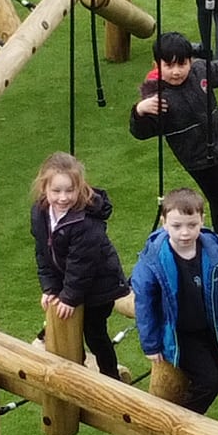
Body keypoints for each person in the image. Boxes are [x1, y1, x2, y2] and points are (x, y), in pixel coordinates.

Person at [128, 187, 218, 427]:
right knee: (208, 382)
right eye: (177, 226)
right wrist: (151, 343)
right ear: (164, 223)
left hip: (209, 327)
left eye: (192, 225)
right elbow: (144, 303)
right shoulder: (154, 260)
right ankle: (179, 427)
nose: (185, 233)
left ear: (202, 221)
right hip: (180, 333)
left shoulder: (213, 252)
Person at [131, 30, 218, 257]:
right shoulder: (156, 97)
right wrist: (139, 111)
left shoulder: (200, 71)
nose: (176, 71)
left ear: (191, 61)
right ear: (156, 64)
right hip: (198, 160)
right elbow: (141, 132)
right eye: (169, 65)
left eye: (182, 64)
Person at [28, 152, 125, 385]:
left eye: (69, 191)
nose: (63, 198)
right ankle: (76, 367)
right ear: (44, 189)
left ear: (79, 188)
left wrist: (69, 297)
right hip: (69, 279)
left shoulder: (85, 222)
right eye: (56, 191)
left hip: (99, 284)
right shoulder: (40, 212)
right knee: (64, 325)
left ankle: (111, 378)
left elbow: (82, 266)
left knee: (94, 332)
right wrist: (50, 288)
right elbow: (42, 252)